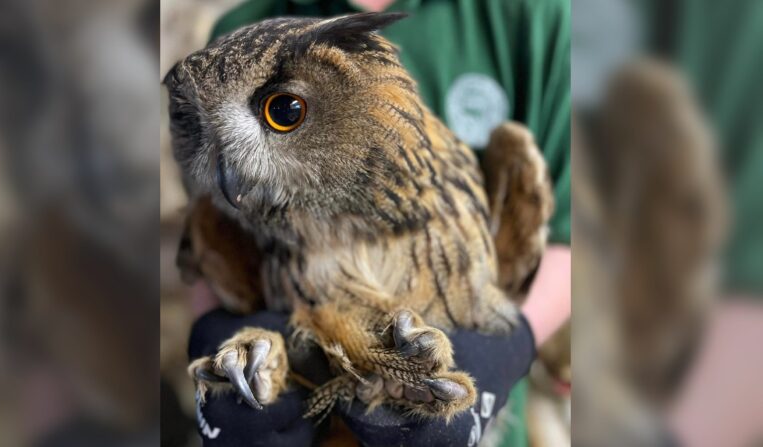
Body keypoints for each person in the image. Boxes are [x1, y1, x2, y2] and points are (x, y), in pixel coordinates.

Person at [189, 0, 572, 445]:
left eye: (285, 111)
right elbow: (208, 238)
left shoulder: (527, 15)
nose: (234, 169)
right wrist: (218, 338)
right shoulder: (239, 28)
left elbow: (571, 233)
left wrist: (505, 351)